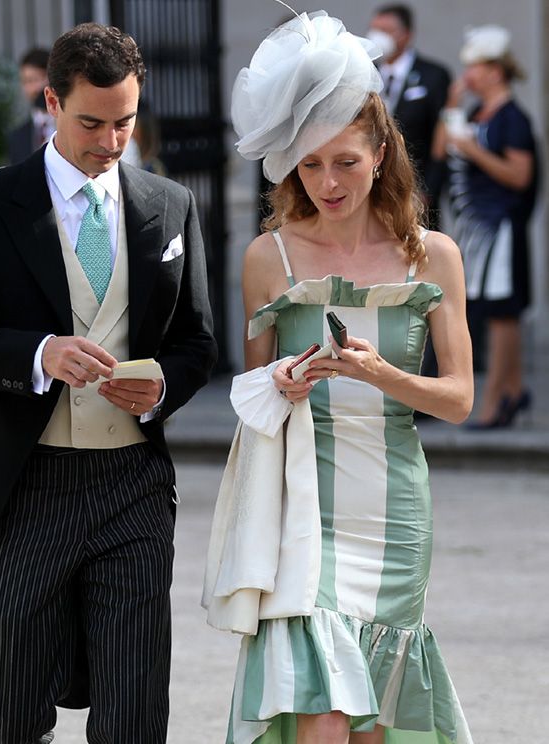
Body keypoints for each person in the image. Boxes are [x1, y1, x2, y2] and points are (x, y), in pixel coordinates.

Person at [0, 22, 216, 744]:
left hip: (135, 485)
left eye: (126, 122)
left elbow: (196, 342)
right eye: (92, 122)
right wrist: (39, 353)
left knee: (136, 712)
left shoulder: (170, 205)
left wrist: (165, 385)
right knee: (14, 707)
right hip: (26, 484)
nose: (111, 141)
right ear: (51, 101)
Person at [213, 11, 474, 743]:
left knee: (372, 726)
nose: (327, 182)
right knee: (323, 713)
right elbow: (252, 392)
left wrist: (382, 373)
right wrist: (286, 384)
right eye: (310, 163)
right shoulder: (270, 257)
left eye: (347, 162)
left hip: (394, 508)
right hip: (306, 506)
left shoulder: (435, 257)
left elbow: (458, 400)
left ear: (383, 150)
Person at [434, 25, 537, 429]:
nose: (468, 75)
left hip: (500, 229)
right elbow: (443, 150)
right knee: (491, 312)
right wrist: (453, 107)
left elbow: (520, 176)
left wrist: (476, 152)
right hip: (475, 230)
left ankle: (497, 399)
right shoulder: (477, 113)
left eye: (475, 68)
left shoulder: (513, 119)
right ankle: (511, 392)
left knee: (502, 315)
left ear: (495, 71)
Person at [367, 4, 450, 231]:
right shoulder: (365, 72)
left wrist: (429, 192)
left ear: (406, 34)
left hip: (416, 189)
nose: (377, 37)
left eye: (385, 30)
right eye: (374, 29)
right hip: (371, 189)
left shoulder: (433, 76)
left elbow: (441, 138)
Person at [7, 47, 55, 163]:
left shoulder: (70, 127)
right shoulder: (17, 137)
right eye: (25, 81)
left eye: (34, 80)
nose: (31, 89)